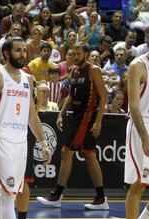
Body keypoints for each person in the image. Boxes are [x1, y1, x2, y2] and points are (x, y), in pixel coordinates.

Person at [0, 36, 51, 219]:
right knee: (9, 197)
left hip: (20, 143)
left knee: (3, 197)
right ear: (6, 53)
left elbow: (31, 115)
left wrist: (43, 143)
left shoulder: (28, 79)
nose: (22, 54)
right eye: (18, 50)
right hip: (0, 141)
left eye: (24, 50)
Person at [36, 42, 109, 210]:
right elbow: (70, 95)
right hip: (76, 116)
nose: (75, 56)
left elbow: (103, 97)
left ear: (86, 54)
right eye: (73, 53)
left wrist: (98, 121)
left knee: (66, 151)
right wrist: (61, 113)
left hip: (88, 116)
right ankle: (101, 197)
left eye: (78, 54)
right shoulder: (74, 71)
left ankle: (57, 195)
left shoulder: (94, 70)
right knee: (90, 156)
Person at [121, 52, 149, 219]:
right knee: (139, 185)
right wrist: (145, 138)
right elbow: (134, 106)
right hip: (142, 125)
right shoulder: (138, 65)